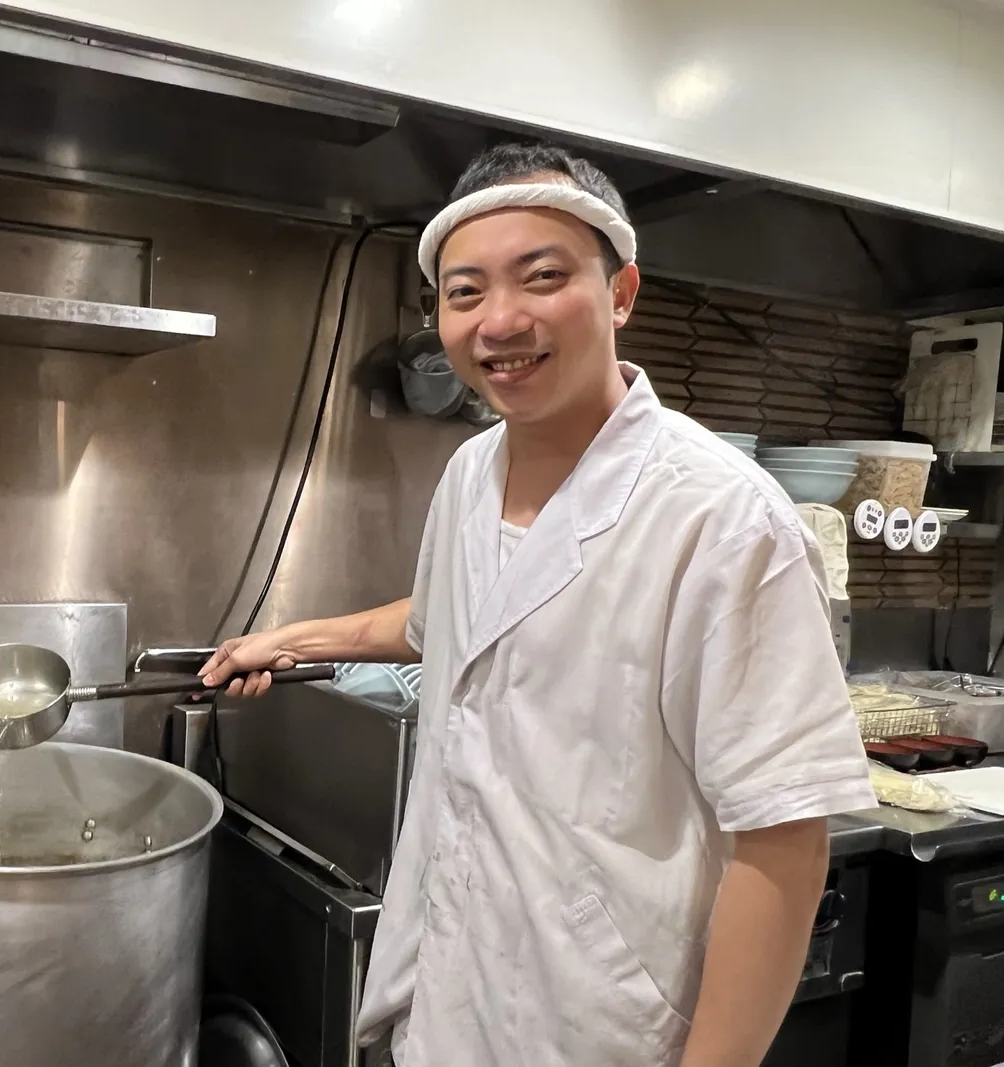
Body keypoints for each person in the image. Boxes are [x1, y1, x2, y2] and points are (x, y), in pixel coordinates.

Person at [197, 143, 877, 1067]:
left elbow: (785, 842)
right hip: (445, 1001)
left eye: (543, 276)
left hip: (597, 1027)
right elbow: (448, 618)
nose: (500, 320)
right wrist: (288, 639)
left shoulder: (724, 521)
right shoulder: (470, 471)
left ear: (622, 291)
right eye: (466, 292)